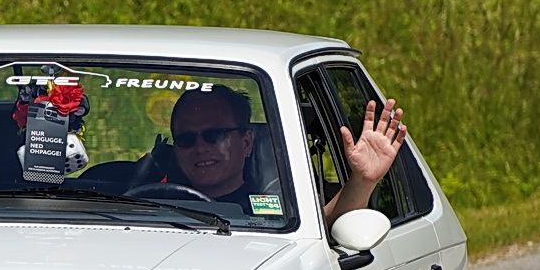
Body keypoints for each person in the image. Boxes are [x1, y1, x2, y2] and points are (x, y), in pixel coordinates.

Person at [165, 85, 405, 221]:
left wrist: (362, 181)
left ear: (246, 142)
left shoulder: (283, 210)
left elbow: (324, 231)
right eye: (186, 139)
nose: (200, 147)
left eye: (214, 135)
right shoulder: (151, 204)